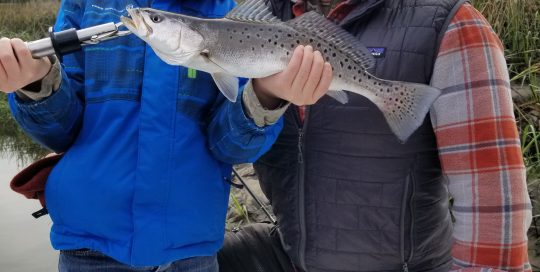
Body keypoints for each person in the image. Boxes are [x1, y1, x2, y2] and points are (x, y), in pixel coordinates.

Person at [0, 0, 334, 271]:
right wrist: (35, 84)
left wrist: (265, 96)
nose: (148, 20)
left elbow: (232, 148)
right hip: (88, 250)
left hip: (191, 254)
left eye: (157, 20)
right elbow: (62, 132)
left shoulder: (229, 15)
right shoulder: (86, 6)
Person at [220, 0, 533, 271]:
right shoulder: (254, 20)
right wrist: (263, 98)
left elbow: (494, 214)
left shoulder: (452, 26)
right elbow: (227, 148)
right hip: (289, 254)